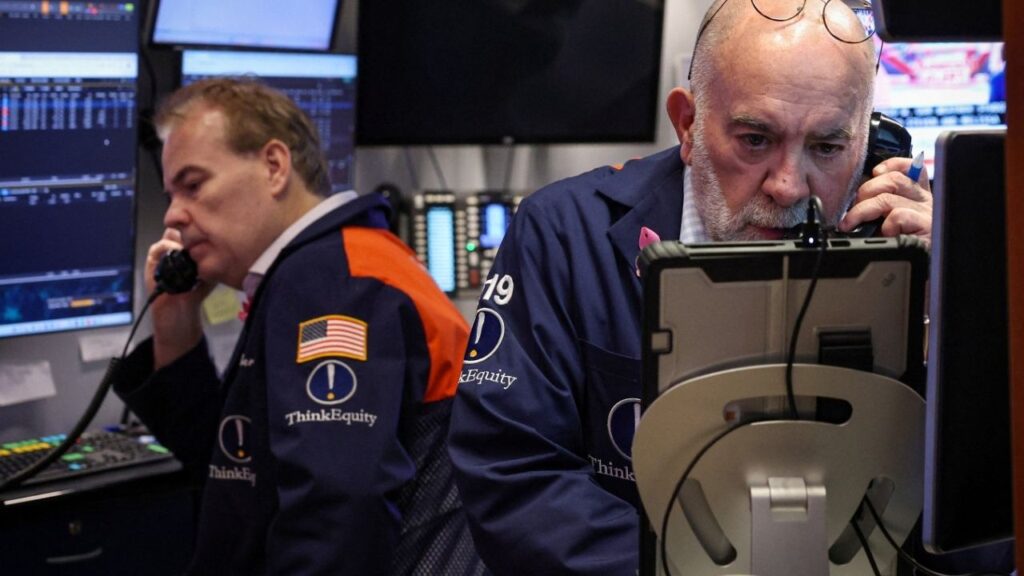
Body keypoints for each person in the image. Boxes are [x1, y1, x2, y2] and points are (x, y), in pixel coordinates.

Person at [446, 0, 934, 574]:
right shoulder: (563, 235)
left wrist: (959, 324)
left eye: (827, 148)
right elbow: (511, 478)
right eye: (755, 139)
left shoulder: (902, 257)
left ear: (869, 144)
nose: (787, 186)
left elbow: (978, 534)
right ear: (688, 124)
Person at [113, 78, 484, 575]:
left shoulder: (332, 284)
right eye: (171, 193)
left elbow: (335, 520)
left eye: (194, 184)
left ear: (273, 166)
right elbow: (235, 469)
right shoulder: (324, 268)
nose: (175, 215)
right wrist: (175, 326)